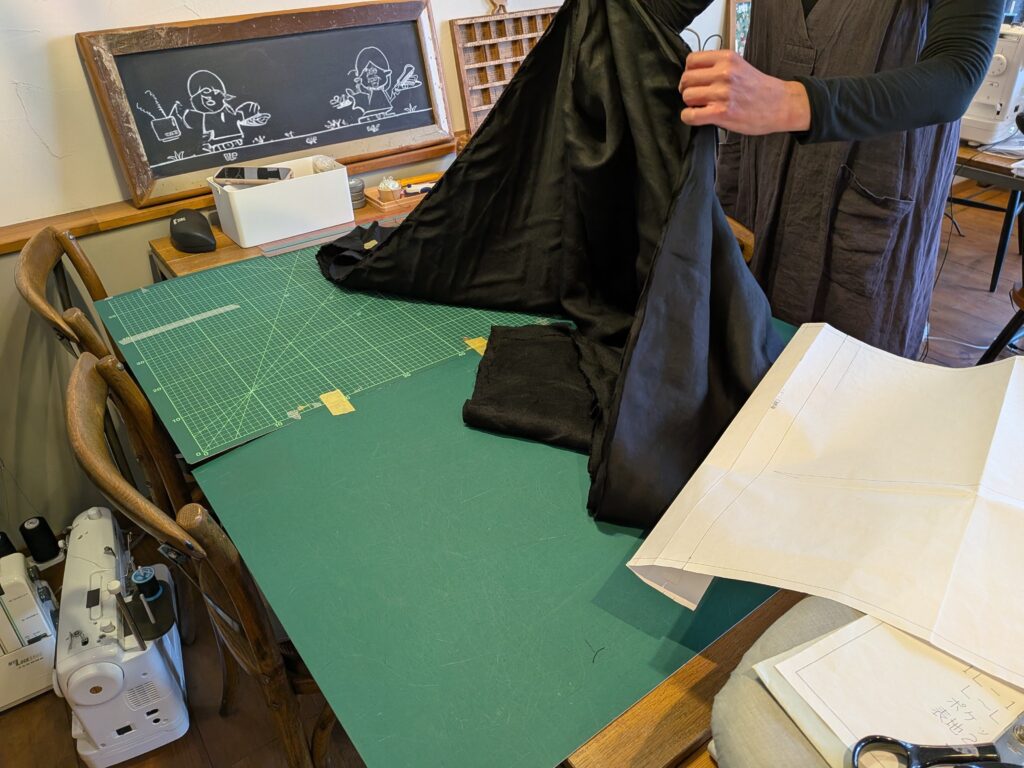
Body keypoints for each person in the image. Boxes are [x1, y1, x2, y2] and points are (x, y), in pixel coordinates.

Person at [646, 0, 1003, 357]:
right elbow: (657, 12)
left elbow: (957, 73)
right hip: (759, 175)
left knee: (838, 370)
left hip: (872, 188)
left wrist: (791, 103)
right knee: (739, 346)